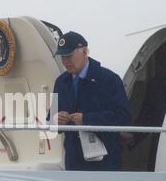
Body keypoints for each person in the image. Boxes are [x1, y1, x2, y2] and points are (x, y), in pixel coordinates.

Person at [52, 31, 131, 171]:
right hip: (74, 162)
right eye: (62, 57)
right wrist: (56, 120)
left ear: (84, 52)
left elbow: (123, 117)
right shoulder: (61, 82)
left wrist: (87, 119)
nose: (65, 61)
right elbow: (50, 119)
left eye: (69, 56)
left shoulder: (109, 79)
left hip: (104, 163)